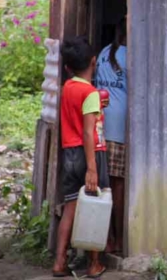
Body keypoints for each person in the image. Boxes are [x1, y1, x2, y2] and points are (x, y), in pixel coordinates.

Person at [53, 37, 109, 278]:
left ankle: (59, 261)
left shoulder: (67, 88)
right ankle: (94, 263)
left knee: (71, 208)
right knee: (96, 205)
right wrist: (92, 168)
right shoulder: (91, 93)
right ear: (94, 62)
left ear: (68, 68)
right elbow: (88, 132)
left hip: (70, 153)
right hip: (90, 154)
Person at [94, 17, 127, 254]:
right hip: (118, 128)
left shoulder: (105, 51)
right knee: (118, 187)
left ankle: (106, 239)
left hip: (99, 125)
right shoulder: (132, 56)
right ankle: (118, 240)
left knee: (103, 185)